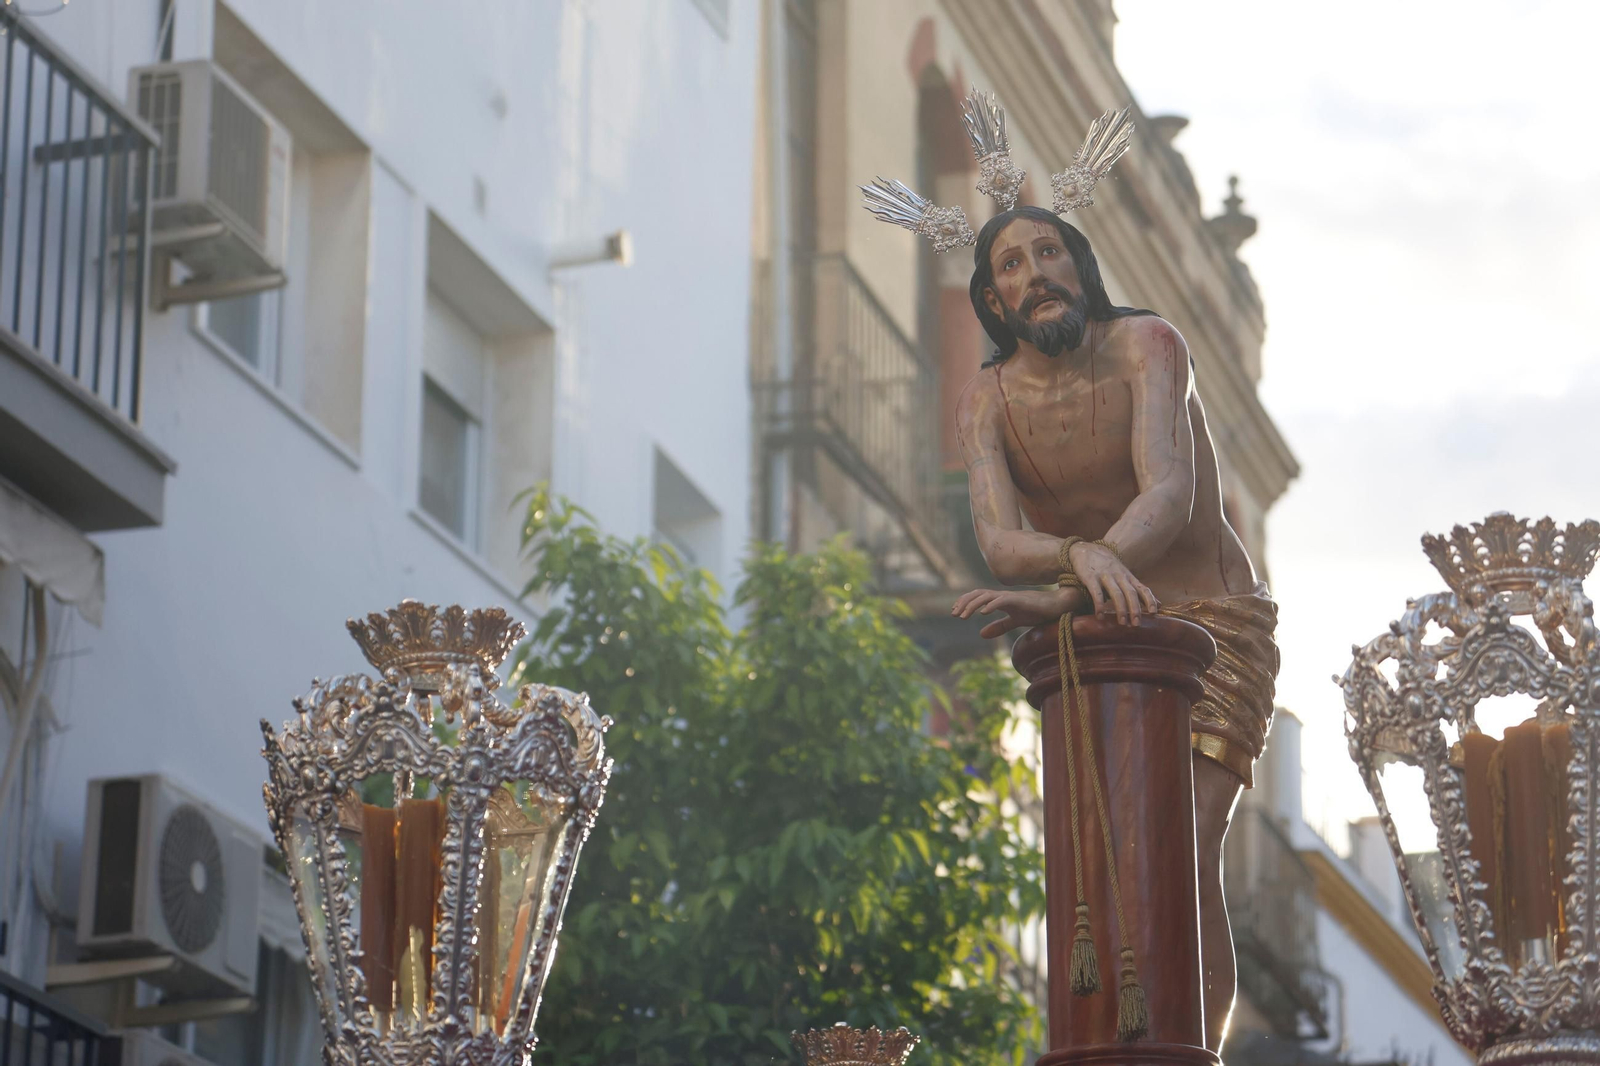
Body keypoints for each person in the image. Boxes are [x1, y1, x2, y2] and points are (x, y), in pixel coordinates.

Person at [946, 204, 1279, 1052]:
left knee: (1186, 849)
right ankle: (1109, 1041)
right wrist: (1079, 564)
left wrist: (1070, 583)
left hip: (1206, 625)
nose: (1035, 275)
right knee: (1106, 849)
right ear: (992, 298)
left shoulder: (1147, 345)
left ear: (1079, 262)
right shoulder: (988, 397)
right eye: (1012, 267)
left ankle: (1189, 1049)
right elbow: (997, 540)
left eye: (1048, 252)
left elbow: (1166, 492)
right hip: (1096, 632)